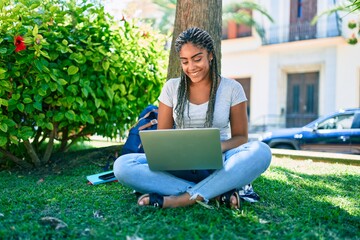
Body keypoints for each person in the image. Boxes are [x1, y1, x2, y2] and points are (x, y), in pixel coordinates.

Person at [113, 27, 272, 209]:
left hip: (219, 162)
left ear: (210, 55)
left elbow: (241, 137)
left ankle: (182, 198)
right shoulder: (171, 88)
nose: (191, 67)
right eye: (185, 61)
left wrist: (215, 148)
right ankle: (216, 192)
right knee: (122, 166)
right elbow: (162, 136)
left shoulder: (232, 89)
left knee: (261, 151)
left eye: (197, 59)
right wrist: (174, 154)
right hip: (179, 163)